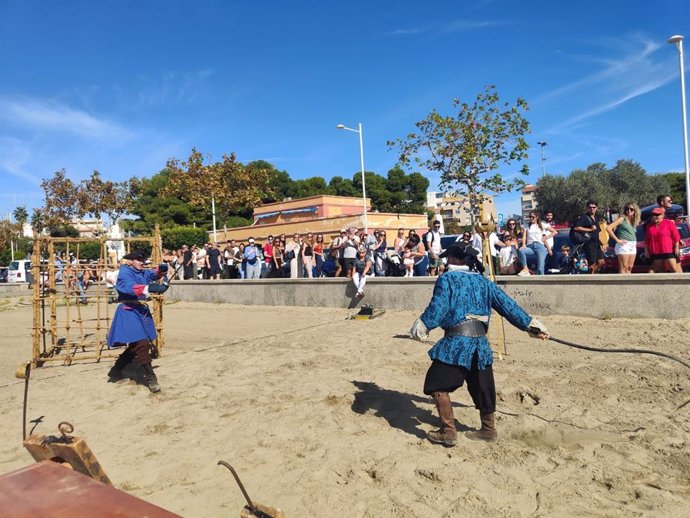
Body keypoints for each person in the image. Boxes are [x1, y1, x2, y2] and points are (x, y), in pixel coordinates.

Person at [409, 243, 549, 446]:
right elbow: (508, 306)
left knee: (436, 384)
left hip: (457, 343)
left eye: (449, 258)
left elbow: (438, 306)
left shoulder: (447, 278)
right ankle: (488, 429)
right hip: (481, 344)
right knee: (483, 387)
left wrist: (423, 325)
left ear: (456, 260)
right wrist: (530, 325)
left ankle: (448, 432)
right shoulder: (485, 283)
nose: (447, 261)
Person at [106, 250, 169, 393]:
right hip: (128, 310)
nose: (142, 262)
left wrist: (161, 269)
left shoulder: (141, 272)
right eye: (139, 260)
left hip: (139, 310)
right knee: (141, 343)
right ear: (130, 261)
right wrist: (151, 287)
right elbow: (129, 287)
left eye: (143, 260)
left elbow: (152, 274)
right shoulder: (124, 273)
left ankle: (116, 369)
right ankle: (151, 378)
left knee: (136, 344)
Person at [571, 200, 605, 274]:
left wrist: (602, 243)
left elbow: (597, 233)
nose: (592, 209)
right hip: (589, 243)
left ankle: (590, 273)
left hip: (597, 243)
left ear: (596, 208)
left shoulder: (596, 218)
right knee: (592, 262)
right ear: (587, 208)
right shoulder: (584, 217)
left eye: (594, 207)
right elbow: (576, 228)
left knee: (601, 262)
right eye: (590, 207)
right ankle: (590, 278)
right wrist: (590, 229)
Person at [517, 211, 556, 276]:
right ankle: (525, 268)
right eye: (530, 217)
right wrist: (523, 244)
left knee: (540, 268)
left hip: (540, 246)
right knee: (521, 250)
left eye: (533, 217)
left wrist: (546, 237)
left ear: (537, 217)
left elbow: (554, 232)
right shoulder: (527, 226)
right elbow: (524, 236)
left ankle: (542, 283)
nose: (531, 218)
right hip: (530, 246)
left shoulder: (542, 224)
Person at [644, 207, 681, 273]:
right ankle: (665, 283)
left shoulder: (669, 223)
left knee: (674, 269)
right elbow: (647, 239)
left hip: (668, 250)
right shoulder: (649, 225)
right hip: (656, 251)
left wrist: (676, 247)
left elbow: (676, 236)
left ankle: (677, 282)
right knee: (661, 271)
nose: (654, 216)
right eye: (653, 215)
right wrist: (646, 251)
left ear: (662, 215)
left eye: (657, 215)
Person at [606, 203, 640, 274]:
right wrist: (617, 239)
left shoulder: (634, 220)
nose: (629, 211)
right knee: (623, 267)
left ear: (635, 210)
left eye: (631, 209)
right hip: (624, 244)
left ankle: (628, 284)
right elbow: (608, 228)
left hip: (632, 245)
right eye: (627, 209)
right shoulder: (622, 218)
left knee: (630, 267)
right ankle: (621, 284)